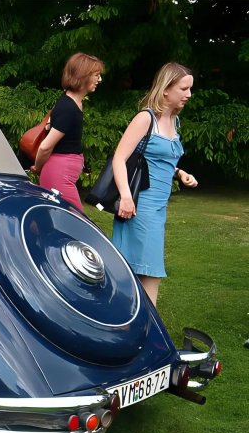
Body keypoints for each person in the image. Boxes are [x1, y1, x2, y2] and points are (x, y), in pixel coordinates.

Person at [111, 62, 198, 306]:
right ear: (166, 89)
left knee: (142, 270)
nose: (189, 95)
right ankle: (147, 323)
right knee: (148, 271)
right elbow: (119, 158)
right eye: (184, 89)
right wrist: (126, 196)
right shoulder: (145, 118)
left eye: (190, 89)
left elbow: (156, 160)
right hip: (141, 206)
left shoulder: (174, 120)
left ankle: (136, 320)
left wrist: (179, 173)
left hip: (159, 207)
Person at [30, 52, 104, 212]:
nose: (99, 80)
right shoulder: (68, 108)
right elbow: (45, 146)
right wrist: (37, 167)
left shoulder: (74, 103)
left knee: (58, 220)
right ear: (83, 75)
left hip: (62, 173)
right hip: (58, 175)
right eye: (96, 75)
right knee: (75, 219)